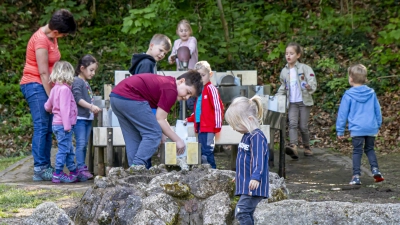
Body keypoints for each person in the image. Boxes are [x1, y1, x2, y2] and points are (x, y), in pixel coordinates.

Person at [20, 9, 76, 181]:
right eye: (64, 35)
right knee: (42, 126)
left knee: (48, 126)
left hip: (47, 86)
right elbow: (44, 73)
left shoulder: (52, 37)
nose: (63, 38)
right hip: (35, 85)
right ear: (56, 32)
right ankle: (40, 168)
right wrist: (54, 99)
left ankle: (46, 166)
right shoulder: (40, 41)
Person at [110, 70, 203, 169]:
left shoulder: (166, 83)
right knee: (153, 134)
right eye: (188, 92)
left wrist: (164, 134)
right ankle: (137, 166)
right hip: (130, 97)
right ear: (181, 81)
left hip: (116, 97)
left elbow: (158, 116)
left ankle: (133, 170)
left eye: (190, 96)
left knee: (134, 137)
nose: (187, 97)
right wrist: (178, 140)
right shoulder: (171, 90)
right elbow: (160, 119)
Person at [336, 64, 384, 185]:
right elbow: (377, 110)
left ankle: (356, 176)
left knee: (357, 151)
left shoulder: (348, 95)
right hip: (371, 127)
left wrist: (340, 130)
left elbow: (343, 114)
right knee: (370, 149)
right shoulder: (371, 93)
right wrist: (378, 125)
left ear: (351, 78)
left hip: (357, 128)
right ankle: (375, 170)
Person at [225, 96, 269, 225]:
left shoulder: (257, 137)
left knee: (242, 211)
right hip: (248, 183)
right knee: (245, 211)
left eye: (236, 124)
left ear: (249, 119)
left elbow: (258, 159)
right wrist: (240, 176)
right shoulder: (247, 136)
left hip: (254, 185)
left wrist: (256, 177)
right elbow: (245, 159)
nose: (234, 128)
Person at [44, 61, 86, 183]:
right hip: (64, 125)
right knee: (64, 149)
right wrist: (67, 126)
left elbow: (47, 106)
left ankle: (73, 171)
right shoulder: (65, 90)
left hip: (57, 125)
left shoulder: (55, 89)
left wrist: (51, 109)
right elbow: (64, 109)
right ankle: (58, 173)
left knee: (68, 148)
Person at [276, 42, 317, 159]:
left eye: (291, 53)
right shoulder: (284, 71)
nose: (288, 56)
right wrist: (277, 97)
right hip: (292, 102)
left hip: (304, 102)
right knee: (292, 124)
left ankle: (307, 147)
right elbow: (283, 86)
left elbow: (312, 81)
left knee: (303, 126)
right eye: (286, 54)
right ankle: (293, 147)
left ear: (298, 55)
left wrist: (309, 86)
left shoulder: (305, 68)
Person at [185, 61, 223, 169]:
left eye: (203, 75)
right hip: (201, 126)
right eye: (198, 76)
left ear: (210, 75)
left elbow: (218, 107)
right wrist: (190, 119)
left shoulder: (211, 89)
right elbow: (198, 110)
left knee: (208, 150)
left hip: (209, 127)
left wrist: (217, 125)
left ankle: (213, 172)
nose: (200, 79)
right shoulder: (200, 91)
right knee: (202, 150)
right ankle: (205, 172)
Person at [72, 54, 101, 180]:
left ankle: (82, 167)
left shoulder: (85, 82)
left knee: (84, 144)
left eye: (94, 70)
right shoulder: (77, 81)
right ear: (82, 68)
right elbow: (77, 99)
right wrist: (90, 107)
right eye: (91, 70)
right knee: (81, 143)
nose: (93, 73)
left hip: (87, 118)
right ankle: (80, 169)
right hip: (79, 119)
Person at [168, 19, 199, 118]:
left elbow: (190, 49)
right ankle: (182, 120)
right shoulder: (177, 42)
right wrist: (172, 58)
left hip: (191, 73)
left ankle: (195, 117)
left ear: (190, 31)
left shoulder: (192, 40)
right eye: (181, 30)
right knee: (182, 100)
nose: (184, 32)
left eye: (186, 30)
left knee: (190, 101)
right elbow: (172, 55)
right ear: (177, 32)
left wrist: (184, 54)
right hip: (180, 74)